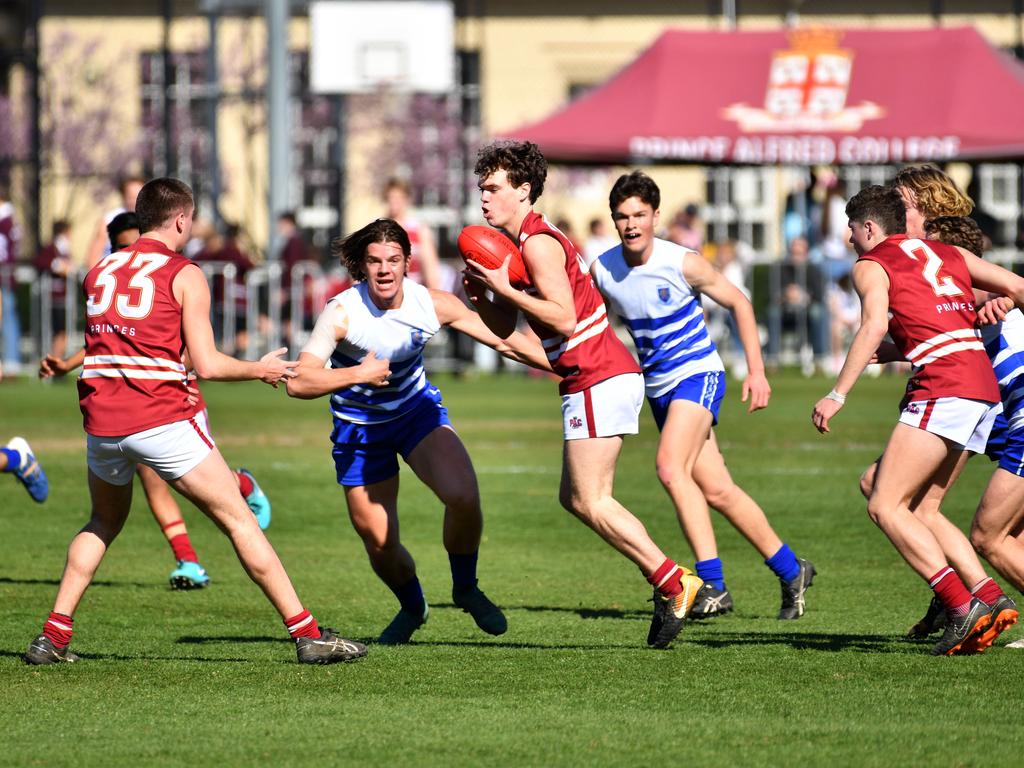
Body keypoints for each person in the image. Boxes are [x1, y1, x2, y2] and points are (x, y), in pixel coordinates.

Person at [24, 177, 365, 665]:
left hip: (101, 423)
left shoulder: (99, 270)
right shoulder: (184, 273)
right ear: (182, 219)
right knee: (239, 519)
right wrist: (259, 368)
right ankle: (307, 635)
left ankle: (52, 638)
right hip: (160, 419)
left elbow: (111, 344)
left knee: (102, 521)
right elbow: (205, 364)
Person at [464, 141, 703, 649]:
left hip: (599, 373)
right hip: (589, 377)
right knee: (576, 498)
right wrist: (485, 294)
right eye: (481, 188)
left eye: (493, 188)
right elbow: (508, 327)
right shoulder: (519, 244)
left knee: (591, 498)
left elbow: (564, 316)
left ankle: (673, 581)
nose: (484, 198)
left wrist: (505, 289)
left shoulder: (538, 243)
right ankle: (668, 581)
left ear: (523, 190)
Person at [287, 218, 551, 644]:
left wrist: (573, 365)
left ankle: (465, 587)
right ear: (362, 266)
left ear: (408, 262)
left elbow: (505, 341)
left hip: (416, 415)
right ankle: (412, 606)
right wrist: (358, 373)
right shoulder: (341, 312)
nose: (385, 269)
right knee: (379, 541)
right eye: (374, 261)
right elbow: (300, 382)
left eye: (393, 259)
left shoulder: (431, 304)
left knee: (463, 495)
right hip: (360, 431)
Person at [589, 171, 815, 620]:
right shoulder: (603, 270)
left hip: (698, 374)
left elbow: (741, 303)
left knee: (671, 468)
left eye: (639, 214)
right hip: (658, 388)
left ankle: (713, 585)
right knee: (718, 489)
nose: (631, 224)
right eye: (622, 216)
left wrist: (756, 371)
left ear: (655, 216)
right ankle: (792, 570)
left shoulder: (683, 262)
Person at [811, 184, 1024, 656]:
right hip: (983, 391)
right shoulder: (943, 251)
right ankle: (987, 597)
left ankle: (960, 605)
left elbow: (872, 324)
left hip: (944, 386)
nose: (848, 239)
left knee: (884, 504)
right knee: (922, 507)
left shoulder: (871, 264)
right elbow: (1016, 287)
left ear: (870, 226)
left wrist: (836, 393)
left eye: (850, 228)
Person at [39, 210, 273, 589]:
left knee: (162, 489)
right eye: (123, 246)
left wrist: (180, 359)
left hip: (169, 398)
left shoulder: (172, 275)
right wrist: (66, 364)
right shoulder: (116, 275)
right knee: (151, 487)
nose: (134, 252)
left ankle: (234, 494)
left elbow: (198, 354)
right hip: (132, 400)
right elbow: (107, 343)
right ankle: (190, 558)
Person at [383, 178, 444, 290]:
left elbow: (430, 268)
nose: (393, 202)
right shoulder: (378, 228)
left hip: (411, 293)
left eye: (397, 198)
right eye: (390, 197)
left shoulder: (418, 229)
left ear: (406, 199)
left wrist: (435, 294)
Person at [85, 175, 145, 268]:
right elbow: (93, 258)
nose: (134, 201)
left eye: (138, 195)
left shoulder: (152, 220)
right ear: (123, 196)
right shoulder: (109, 220)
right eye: (130, 196)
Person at [34, 220, 73, 361]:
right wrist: (57, 266)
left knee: (62, 332)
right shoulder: (52, 249)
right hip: (53, 297)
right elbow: (40, 261)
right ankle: (53, 363)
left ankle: (57, 361)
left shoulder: (64, 250)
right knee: (58, 332)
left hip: (63, 298)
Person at [0, 181, 22, 377]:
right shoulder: (10, 219)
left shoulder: (5, 219)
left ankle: (11, 361)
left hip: (4, 274)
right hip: (5, 273)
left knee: (6, 316)